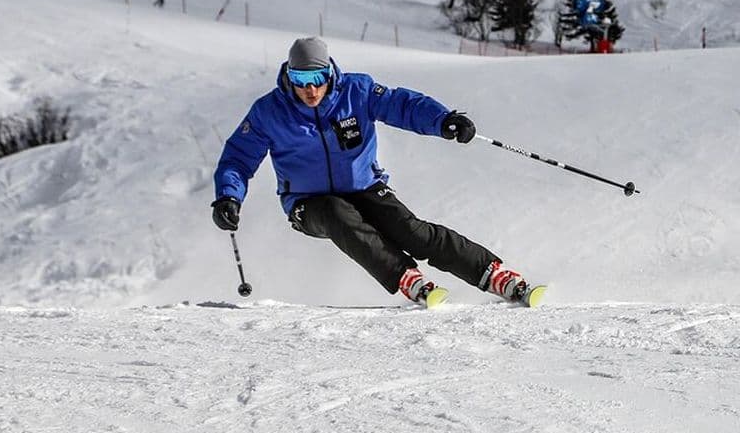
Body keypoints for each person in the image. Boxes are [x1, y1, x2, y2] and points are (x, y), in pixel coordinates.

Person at [212, 37, 536, 306]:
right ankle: (405, 276)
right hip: (306, 202)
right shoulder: (269, 112)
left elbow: (402, 105)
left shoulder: (357, 91)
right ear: (288, 76)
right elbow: (239, 157)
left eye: (316, 79)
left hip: (364, 187)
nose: (310, 90)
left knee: (412, 232)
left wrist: (442, 120)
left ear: (330, 73)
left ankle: (494, 274)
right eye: (300, 80)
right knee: (336, 214)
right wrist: (228, 196)